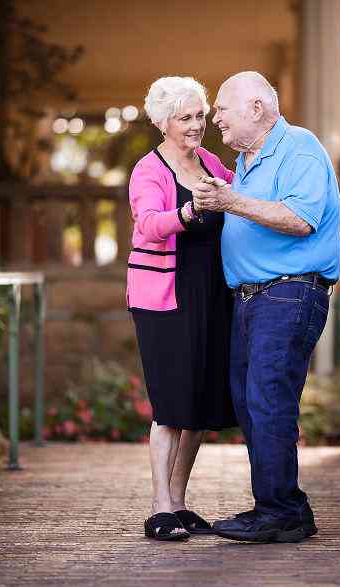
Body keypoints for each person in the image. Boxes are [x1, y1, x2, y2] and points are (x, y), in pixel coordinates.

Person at [192, 71, 340, 543]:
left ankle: (283, 512)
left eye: (221, 108)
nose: (215, 117)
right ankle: (277, 507)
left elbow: (300, 218)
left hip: (289, 292)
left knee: (267, 398)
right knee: (252, 402)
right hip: (255, 297)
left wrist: (230, 201)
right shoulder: (247, 160)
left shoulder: (299, 147)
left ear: (256, 109)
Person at [126, 76, 237, 541]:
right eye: (184, 117)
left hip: (213, 293)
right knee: (171, 404)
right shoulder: (148, 170)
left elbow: (241, 197)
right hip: (165, 297)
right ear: (163, 122)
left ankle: (178, 502)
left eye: (200, 115)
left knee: (201, 404)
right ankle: (159, 508)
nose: (196, 125)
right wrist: (190, 212)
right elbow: (149, 224)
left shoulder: (210, 161)